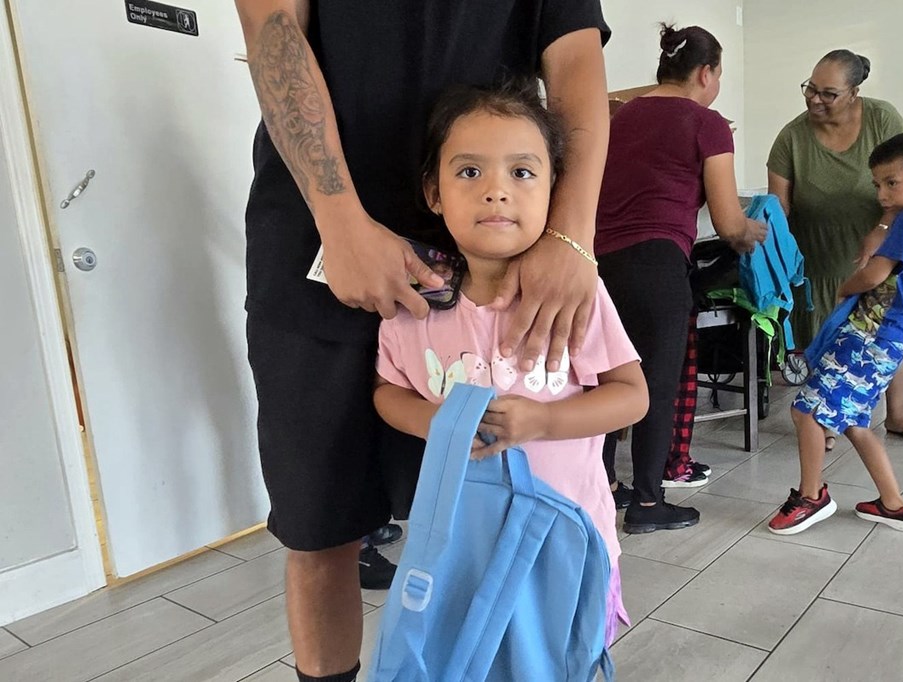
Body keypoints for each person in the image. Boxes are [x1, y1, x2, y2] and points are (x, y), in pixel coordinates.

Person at [233, 2, 610, 680]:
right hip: (317, 249)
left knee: (494, 524)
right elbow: (272, 25)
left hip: (496, 268)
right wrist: (340, 222)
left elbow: (576, 58)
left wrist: (570, 233)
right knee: (319, 526)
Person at [373, 80, 649, 645]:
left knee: (558, 661)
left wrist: (543, 421)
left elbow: (632, 395)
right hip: (461, 550)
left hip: (568, 538)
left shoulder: (576, 296)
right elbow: (386, 390)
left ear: (553, 188)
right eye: (470, 172)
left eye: (521, 172)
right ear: (434, 192)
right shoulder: (414, 304)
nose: (496, 192)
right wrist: (435, 421)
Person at [767, 132, 903, 536]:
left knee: (806, 410)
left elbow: (873, 274)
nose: (883, 194)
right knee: (854, 421)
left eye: (892, 182)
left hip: (869, 335)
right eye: (877, 185)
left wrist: (845, 288)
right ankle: (894, 505)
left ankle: (811, 496)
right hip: (890, 340)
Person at [595, 23, 766, 532]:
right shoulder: (706, 122)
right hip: (657, 264)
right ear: (706, 73)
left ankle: (605, 487)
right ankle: (648, 504)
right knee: (656, 385)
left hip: (597, 265)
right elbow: (729, 223)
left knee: (605, 379)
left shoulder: (619, 116)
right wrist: (755, 231)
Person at [767, 49, 903, 450]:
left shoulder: (882, 119)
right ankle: (823, 418)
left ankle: (897, 414)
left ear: (854, 92)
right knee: (824, 336)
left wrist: (882, 229)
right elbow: (779, 207)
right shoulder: (791, 137)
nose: (815, 100)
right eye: (810, 89)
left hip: (882, 252)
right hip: (818, 257)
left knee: (889, 333)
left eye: (828, 93)